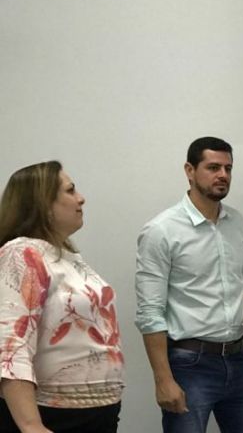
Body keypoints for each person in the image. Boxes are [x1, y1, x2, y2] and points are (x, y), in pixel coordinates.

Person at [135, 136, 243, 433]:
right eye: (213, 167)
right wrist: (163, 379)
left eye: (228, 168)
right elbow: (150, 312)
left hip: (240, 359)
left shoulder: (235, 221)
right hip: (189, 364)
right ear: (190, 170)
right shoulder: (162, 230)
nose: (223, 175)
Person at [0, 161, 125, 433]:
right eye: (70, 190)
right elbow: (11, 344)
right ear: (42, 203)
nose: (81, 198)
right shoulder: (22, 253)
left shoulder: (67, 258)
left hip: (97, 413)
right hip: (53, 417)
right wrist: (31, 425)